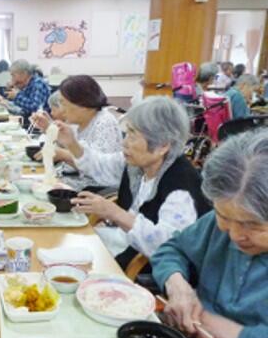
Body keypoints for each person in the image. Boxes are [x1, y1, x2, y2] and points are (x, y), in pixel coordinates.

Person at [150, 130, 268, 338]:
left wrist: (239, 336)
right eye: (223, 216)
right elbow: (172, 249)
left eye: (252, 225)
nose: (234, 234)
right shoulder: (226, 219)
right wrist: (177, 284)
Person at [53, 96, 211, 269]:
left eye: (133, 136)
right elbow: (102, 165)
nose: (124, 143)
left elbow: (168, 245)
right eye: (126, 133)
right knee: (63, 241)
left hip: (150, 264)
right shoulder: (138, 163)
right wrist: (72, 143)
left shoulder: (181, 187)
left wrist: (114, 213)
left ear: (162, 146)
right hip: (124, 241)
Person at [31, 76, 123, 191]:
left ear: (83, 104)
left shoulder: (104, 122)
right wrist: (48, 128)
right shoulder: (77, 121)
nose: (62, 110)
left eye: (64, 104)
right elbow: (68, 145)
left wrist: (63, 155)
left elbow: (102, 173)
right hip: (76, 180)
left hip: (98, 191)